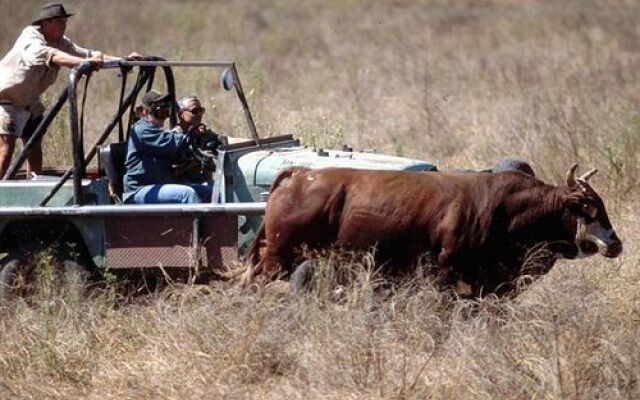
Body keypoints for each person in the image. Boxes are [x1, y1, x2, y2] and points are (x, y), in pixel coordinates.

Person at [0, 3, 141, 178]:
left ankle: (34, 188)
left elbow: (88, 55)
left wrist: (124, 61)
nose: (63, 26)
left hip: (29, 101)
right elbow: (54, 56)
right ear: (45, 23)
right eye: (59, 22)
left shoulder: (61, 42)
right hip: (6, 99)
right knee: (6, 150)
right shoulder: (31, 39)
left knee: (34, 146)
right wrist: (84, 63)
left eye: (65, 22)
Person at [123, 90, 212, 204]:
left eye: (166, 112)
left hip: (159, 185)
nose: (164, 117)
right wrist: (193, 134)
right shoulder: (141, 130)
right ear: (145, 112)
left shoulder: (157, 131)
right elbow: (175, 142)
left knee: (209, 192)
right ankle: (195, 222)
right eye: (159, 112)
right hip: (139, 190)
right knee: (187, 194)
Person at [171, 95, 227, 182]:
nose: (199, 114)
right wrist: (196, 161)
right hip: (185, 187)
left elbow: (221, 140)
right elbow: (171, 172)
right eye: (195, 111)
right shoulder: (173, 138)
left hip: (207, 183)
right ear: (181, 114)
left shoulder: (202, 132)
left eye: (201, 110)